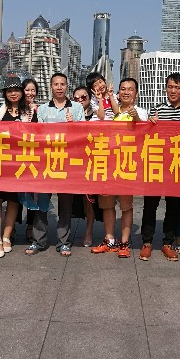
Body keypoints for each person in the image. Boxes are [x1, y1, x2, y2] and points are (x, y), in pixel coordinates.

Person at [25, 73, 84, 256]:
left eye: (62, 84)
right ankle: (38, 240)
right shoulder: (42, 109)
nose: (59, 87)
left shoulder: (76, 108)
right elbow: (38, 135)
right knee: (41, 202)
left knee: (66, 204)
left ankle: (63, 242)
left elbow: (84, 134)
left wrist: (73, 125)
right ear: (51, 87)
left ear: (67, 86)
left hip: (67, 162)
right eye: (56, 84)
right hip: (47, 162)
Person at [91, 78, 148, 258]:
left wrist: (136, 118)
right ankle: (109, 240)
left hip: (128, 165)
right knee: (107, 205)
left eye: (130, 89)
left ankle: (124, 242)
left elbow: (145, 133)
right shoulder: (110, 111)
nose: (126, 92)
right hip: (108, 164)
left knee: (126, 206)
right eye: (123, 89)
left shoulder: (141, 112)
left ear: (136, 93)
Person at [141, 72, 180, 262]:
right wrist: (150, 124)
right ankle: (147, 242)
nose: (173, 90)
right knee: (150, 205)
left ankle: (167, 243)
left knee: (174, 207)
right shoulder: (157, 109)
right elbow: (146, 134)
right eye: (170, 87)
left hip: (178, 165)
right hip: (157, 164)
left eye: (177, 87)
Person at [0, 75, 34, 257]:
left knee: (14, 200)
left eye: (16, 90)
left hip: (18, 162)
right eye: (9, 90)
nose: (13, 93)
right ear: (5, 93)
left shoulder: (30, 112)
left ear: (21, 92)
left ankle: (7, 236)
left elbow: (36, 135)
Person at [72, 86, 98, 246]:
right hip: (73, 162)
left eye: (83, 97)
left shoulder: (97, 115)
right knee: (69, 198)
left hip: (92, 162)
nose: (80, 101)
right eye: (76, 98)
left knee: (89, 200)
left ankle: (89, 232)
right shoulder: (69, 113)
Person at [21, 78, 39, 241]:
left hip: (33, 155)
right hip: (16, 155)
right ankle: (12, 225)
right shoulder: (13, 108)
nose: (30, 93)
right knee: (15, 192)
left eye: (33, 90)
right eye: (27, 90)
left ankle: (30, 225)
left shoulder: (39, 110)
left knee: (33, 192)